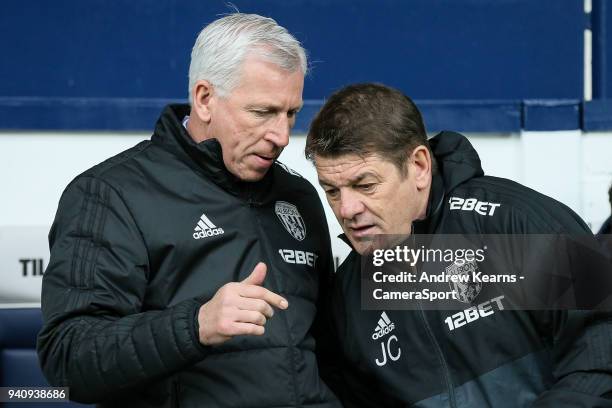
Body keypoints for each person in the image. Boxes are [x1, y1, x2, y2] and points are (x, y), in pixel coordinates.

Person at [37, 13, 340, 407]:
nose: (281, 136)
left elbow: (332, 351)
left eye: (291, 113)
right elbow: (67, 357)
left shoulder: (297, 195)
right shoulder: (110, 194)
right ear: (204, 99)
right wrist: (195, 326)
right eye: (262, 112)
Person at [305, 83, 612, 407]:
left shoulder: (514, 225)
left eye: (365, 185)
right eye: (332, 190)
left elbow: (603, 347)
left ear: (419, 166)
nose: (346, 209)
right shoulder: (349, 294)